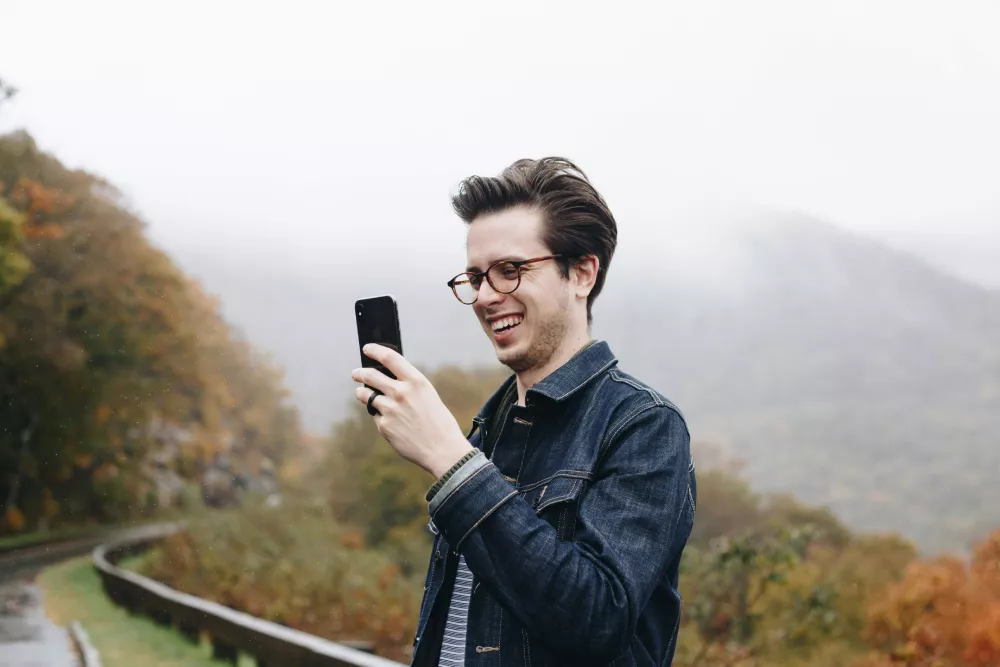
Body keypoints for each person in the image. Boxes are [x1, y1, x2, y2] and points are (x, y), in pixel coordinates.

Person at [351, 157, 696, 667]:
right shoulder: (488, 428)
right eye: (475, 277)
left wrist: (450, 461)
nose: (487, 297)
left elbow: (595, 620)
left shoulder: (644, 425)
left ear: (581, 273)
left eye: (510, 271)